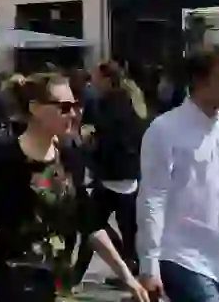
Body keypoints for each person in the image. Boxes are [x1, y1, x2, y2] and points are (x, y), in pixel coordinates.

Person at [0, 73, 147, 302]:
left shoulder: (70, 157)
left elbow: (90, 224)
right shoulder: (5, 159)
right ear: (36, 109)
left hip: (60, 285)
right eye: (64, 107)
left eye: (75, 105)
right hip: (16, 285)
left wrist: (127, 277)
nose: (73, 113)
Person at [137, 45, 219, 301]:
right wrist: (149, 265)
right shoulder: (165, 130)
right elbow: (152, 198)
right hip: (180, 258)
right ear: (199, 80)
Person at [72, 62, 147, 288]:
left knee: (91, 227)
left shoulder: (100, 103)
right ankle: (132, 274)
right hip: (131, 174)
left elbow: (87, 135)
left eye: (96, 77)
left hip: (108, 174)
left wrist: (86, 147)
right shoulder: (136, 101)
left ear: (106, 79)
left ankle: (75, 277)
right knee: (130, 231)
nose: (93, 81)